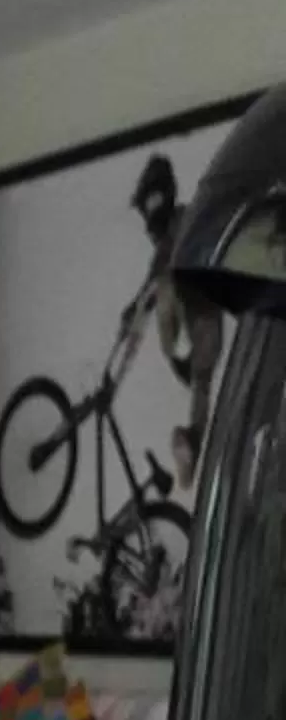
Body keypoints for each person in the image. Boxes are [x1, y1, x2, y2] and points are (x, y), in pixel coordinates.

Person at [116, 152, 224, 493]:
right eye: (147, 207)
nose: (150, 218)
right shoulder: (167, 239)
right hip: (197, 318)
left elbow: (164, 267)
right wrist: (134, 309)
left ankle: (194, 439)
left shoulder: (181, 220)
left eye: (153, 203)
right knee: (200, 374)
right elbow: (156, 274)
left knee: (202, 368)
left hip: (201, 308)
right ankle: (193, 442)